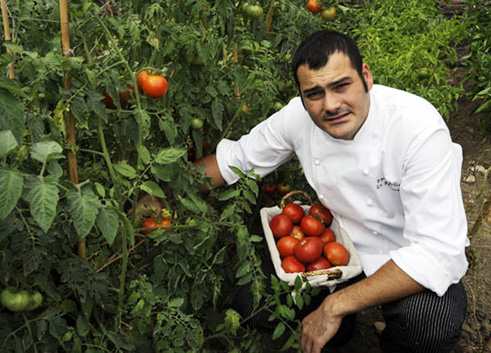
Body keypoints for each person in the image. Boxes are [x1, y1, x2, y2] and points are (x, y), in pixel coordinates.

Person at [139, 30, 469, 352]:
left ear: (366, 77)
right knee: (252, 305)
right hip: (336, 248)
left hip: (405, 255)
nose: (331, 104)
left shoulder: (417, 128)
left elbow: (435, 251)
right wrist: (162, 195)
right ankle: (339, 334)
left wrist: (336, 304)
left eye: (342, 86)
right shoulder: (298, 117)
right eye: (314, 93)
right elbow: (235, 160)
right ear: (301, 95)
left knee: (428, 326)